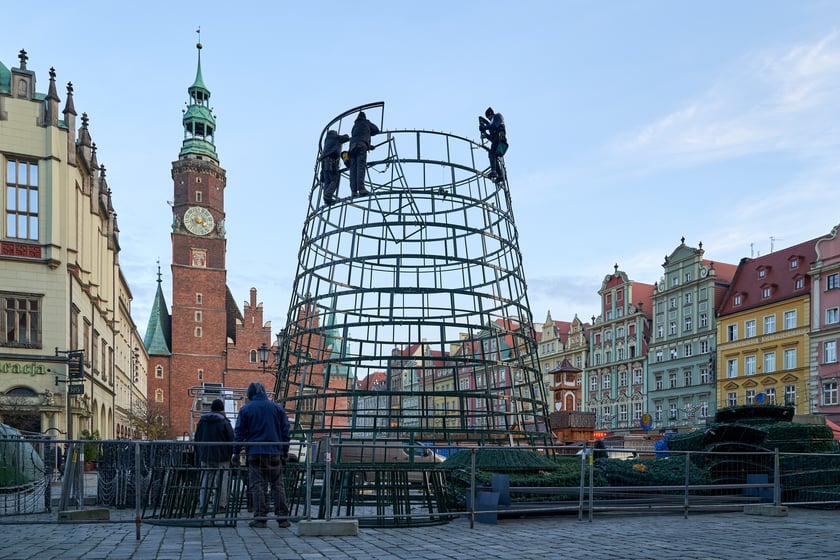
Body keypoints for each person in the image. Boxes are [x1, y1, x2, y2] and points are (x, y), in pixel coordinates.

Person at [232, 382, 292, 529]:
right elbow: (285, 431)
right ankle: (283, 518)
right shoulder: (277, 408)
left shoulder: (246, 409)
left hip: (255, 452)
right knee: (278, 485)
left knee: (257, 485)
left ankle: (260, 518)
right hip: (274, 452)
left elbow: (239, 433)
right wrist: (284, 451)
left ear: (250, 394)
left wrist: (236, 452)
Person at [194, 398, 234, 513]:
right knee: (221, 482)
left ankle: (203, 504)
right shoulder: (224, 422)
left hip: (205, 456)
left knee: (206, 480)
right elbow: (231, 439)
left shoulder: (202, 421)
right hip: (222, 457)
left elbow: (197, 439)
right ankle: (220, 505)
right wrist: (231, 454)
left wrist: (199, 453)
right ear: (222, 409)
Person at [348, 111, 380, 197]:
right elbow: (376, 130)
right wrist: (369, 131)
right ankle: (361, 189)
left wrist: (369, 146)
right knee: (360, 167)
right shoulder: (366, 122)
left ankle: (353, 191)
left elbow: (358, 136)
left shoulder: (354, 126)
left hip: (352, 148)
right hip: (361, 147)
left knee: (353, 169)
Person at [319, 129, 350, 205]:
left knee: (327, 182)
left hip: (324, 163)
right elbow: (346, 137)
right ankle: (328, 196)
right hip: (331, 162)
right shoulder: (335, 137)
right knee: (334, 180)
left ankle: (326, 199)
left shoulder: (327, 141)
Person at [479, 106, 507, 183]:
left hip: (500, 136)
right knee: (493, 155)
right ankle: (500, 175)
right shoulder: (492, 124)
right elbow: (492, 138)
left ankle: (494, 171)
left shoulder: (498, 116)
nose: (489, 119)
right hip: (496, 138)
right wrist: (485, 134)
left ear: (491, 114)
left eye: (489, 117)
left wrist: (484, 127)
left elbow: (494, 125)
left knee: (492, 153)